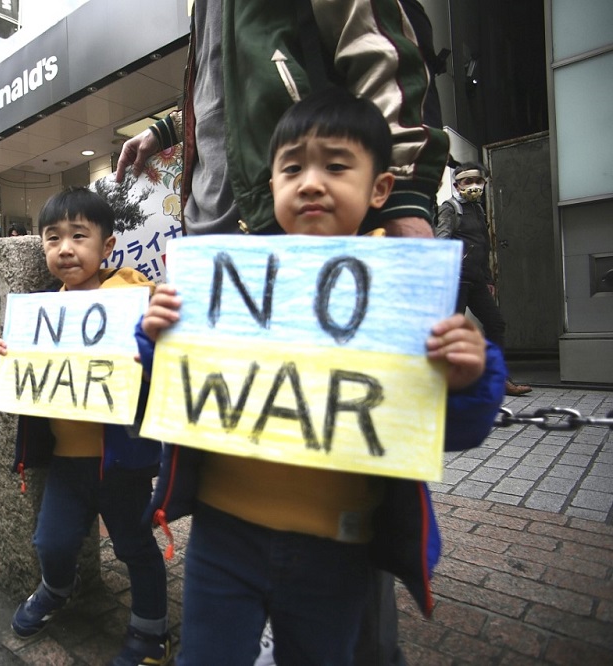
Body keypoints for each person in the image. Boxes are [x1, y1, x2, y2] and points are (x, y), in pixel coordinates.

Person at [137, 89, 506, 664]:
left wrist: (470, 378)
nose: (311, 182)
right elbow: (165, 397)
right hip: (221, 535)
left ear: (379, 187)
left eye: (336, 166)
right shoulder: (229, 279)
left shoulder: (407, 294)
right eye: (292, 168)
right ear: (272, 186)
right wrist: (157, 337)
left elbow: (455, 431)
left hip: (338, 550)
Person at [0, 187, 172, 665]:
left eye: (78, 236)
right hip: (67, 463)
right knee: (51, 541)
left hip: (121, 464)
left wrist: (150, 339)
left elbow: (161, 359)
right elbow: (18, 379)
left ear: (106, 246)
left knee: (135, 548)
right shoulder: (42, 310)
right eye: (52, 238)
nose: (65, 248)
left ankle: (151, 630)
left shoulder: (131, 294)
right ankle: (56, 588)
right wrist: (0, 363)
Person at [115, 0, 445, 241]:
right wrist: (171, 128)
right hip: (209, 238)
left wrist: (405, 196)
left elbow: (385, 54)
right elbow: (223, 83)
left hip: (297, 227)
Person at [435, 163, 531, 397]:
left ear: (485, 183)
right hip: (456, 280)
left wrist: (487, 277)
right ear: (457, 185)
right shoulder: (450, 208)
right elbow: (440, 242)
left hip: (476, 281)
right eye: (467, 181)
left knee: (495, 323)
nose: (473, 186)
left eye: (477, 181)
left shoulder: (478, 210)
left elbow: (483, 245)